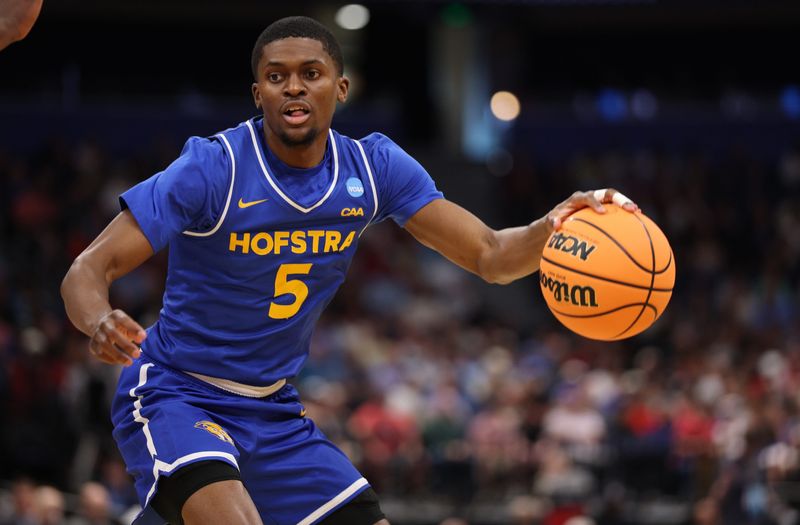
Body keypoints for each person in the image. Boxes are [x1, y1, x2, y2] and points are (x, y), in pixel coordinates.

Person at [60, 15, 638, 525]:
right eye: (277, 75)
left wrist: (553, 225)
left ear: (340, 88)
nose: (293, 86)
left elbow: (490, 255)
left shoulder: (375, 166)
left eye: (310, 73)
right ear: (256, 91)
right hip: (177, 393)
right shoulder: (213, 168)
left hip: (272, 409)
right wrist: (98, 319)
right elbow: (87, 269)